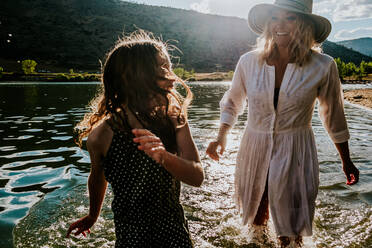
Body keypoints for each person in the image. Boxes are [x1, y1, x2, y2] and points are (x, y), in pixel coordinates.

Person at [206, 0, 359, 247]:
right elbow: (232, 102)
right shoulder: (248, 62)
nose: (280, 25)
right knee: (256, 217)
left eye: (291, 18)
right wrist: (221, 136)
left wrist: (346, 160)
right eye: (275, 18)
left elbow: (334, 116)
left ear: (306, 25)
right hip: (254, 146)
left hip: (296, 148)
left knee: (292, 228)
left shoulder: (323, 66)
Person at [66, 30, 204, 247]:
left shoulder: (174, 118)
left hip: (174, 229)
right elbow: (97, 177)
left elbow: (197, 176)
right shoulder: (102, 135)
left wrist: (163, 156)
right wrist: (93, 216)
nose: (172, 76)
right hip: (131, 234)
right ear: (137, 77)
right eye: (163, 68)